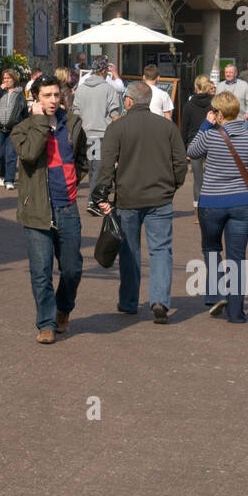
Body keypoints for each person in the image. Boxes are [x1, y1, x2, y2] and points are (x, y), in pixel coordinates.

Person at [94, 80, 188, 323]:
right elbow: (180, 161)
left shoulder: (118, 128)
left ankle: (128, 301)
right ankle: (160, 301)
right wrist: (174, 185)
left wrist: (101, 193)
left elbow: (107, 164)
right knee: (161, 251)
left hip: (128, 197)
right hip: (160, 196)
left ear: (128, 101)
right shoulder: (167, 127)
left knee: (129, 251)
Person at [11, 75, 89, 344]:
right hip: (37, 210)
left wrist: (71, 182)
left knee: (72, 269)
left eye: (56, 95)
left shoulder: (74, 124)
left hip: (67, 207)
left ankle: (63, 309)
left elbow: (81, 159)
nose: (53, 100)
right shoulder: (22, 128)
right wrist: (39, 122)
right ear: (36, 98)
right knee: (41, 271)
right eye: (47, 96)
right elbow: (31, 154)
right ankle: (46, 323)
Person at [187, 90, 248, 323]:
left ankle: (218, 291)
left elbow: (192, 152)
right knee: (237, 258)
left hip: (211, 202)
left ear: (219, 114)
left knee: (211, 249)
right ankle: (236, 312)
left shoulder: (211, 135)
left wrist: (205, 125)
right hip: (242, 204)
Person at [72, 56, 122, 207]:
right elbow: (115, 114)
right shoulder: (108, 88)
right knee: (99, 168)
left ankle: (93, 199)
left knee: (92, 166)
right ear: (104, 71)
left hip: (85, 133)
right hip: (103, 134)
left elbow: (76, 111)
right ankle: (94, 200)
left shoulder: (81, 89)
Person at [0, 68, 28, 189]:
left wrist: (23, 128)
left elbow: (24, 111)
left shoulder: (19, 94)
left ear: (14, 80)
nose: (6, 80)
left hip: (13, 129)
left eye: (9, 78)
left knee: (11, 155)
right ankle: (3, 174)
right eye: (4, 78)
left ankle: (9, 180)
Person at [180, 74, 215, 224]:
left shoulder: (188, 105)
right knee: (212, 177)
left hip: (194, 143)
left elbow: (184, 129)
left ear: (196, 87)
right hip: (211, 141)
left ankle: (197, 214)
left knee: (198, 180)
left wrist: (183, 148)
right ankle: (213, 210)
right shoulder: (214, 104)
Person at [219, 63, 248, 129]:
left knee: (242, 139)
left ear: (235, 73)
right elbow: (216, 103)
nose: (228, 74)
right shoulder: (220, 86)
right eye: (226, 72)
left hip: (240, 121)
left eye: (230, 72)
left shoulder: (244, 85)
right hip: (223, 122)